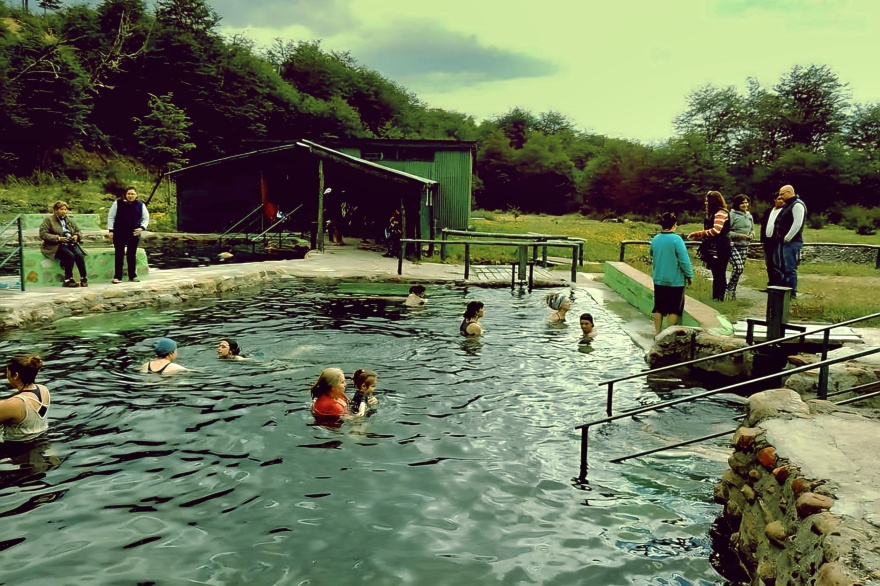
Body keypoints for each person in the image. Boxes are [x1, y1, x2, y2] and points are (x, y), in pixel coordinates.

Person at [652, 212, 694, 335]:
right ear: (674, 225)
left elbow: (651, 253)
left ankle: (657, 333)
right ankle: (668, 335)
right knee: (674, 309)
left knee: (658, 306)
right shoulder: (677, 239)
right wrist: (689, 275)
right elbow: (684, 260)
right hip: (675, 281)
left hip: (659, 278)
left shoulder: (655, 239)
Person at [687, 191, 731, 302]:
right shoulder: (713, 213)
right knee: (717, 272)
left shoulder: (720, 213)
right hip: (715, 245)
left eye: (708, 200)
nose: (706, 203)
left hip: (720, 246)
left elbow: (716, 230)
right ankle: (716, 297)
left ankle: (719, 297)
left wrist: (698, 233)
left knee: (719, 273)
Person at [39, 201, 88, 288]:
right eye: (61, 209)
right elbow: (43, 234)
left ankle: (84, 278)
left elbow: (79, 231)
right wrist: (58, 238)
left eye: (65, 209)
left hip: (70, 242)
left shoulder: (70, 220)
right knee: (70, 256)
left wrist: (76, 236)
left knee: (79, 255)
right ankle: (68, 280)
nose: (64, 211)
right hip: (55, 245)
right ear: (55, 210)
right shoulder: (49, 221)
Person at [1, 355, 50, 442]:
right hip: (42, 440)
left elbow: (9, 406)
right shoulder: (44, 390)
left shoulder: (16, 404)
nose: (7, 376)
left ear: (16, 375)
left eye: (7, 373)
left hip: (18, 450)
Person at [108, 186, 150, 283]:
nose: (130, 195)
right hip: (119, 232)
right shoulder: (117, 203)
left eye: (132, 194)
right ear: (125, 195)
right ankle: (118, 277)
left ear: (136, 195)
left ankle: (133, 276)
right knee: (119, 254)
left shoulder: (140, 205)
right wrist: (111, 230)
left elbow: (146, 218)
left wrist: (142, 228)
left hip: (134, 233)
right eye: (129, 194)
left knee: (131, 254)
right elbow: (111, 217)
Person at [774, 184, 807, 298]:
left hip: (791, 242)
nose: (781, 196)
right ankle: (784, 291)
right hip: (783, 241)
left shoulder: (797, 205)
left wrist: (788, 237)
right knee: (781, 267)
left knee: (790, 268)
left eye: (782, 194)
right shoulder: (788, 205)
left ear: (789, 192)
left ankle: (792, 293)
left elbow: (797, 223)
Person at [726, 194, 755, 300]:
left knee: (739, 271)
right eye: (742, 202)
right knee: (738, 267)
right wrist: (739, 236)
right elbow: (726, 232)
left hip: (744, 246)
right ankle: (728, 288)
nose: (745, 204)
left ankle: (732, 290)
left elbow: (752, 229)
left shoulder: (749, 215)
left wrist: (752, 235)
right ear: (737, 204)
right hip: (733, 246)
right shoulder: (732, 215)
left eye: (747, 202)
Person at [760, 193, 786, 287]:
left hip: (777, 241)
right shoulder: (768, 211)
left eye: (783, 199)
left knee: (777, 263)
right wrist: (762, 239)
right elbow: (763, 225)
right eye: (779, 199)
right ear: (774, 200)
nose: (781, 201)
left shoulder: (784, 211)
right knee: (769, 264)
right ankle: (771, 283)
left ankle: (779, 284)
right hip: (767, 240)